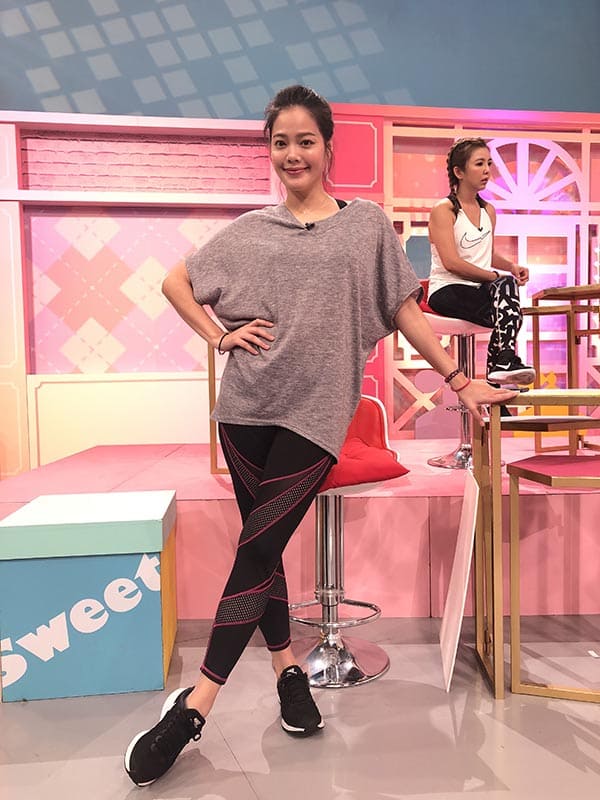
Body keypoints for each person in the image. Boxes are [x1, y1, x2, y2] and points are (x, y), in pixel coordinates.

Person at [123, 86, 518, 787]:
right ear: (271, 151)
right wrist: (220, 336)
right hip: (245, 409)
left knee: (258, 545)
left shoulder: (365, 225)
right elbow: (176, 282)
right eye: (280, 142)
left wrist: (461, 382)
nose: (293, 153)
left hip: (316, 414)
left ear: (328, 148)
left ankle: (195, 707)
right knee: (264, 548)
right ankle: (287, 675)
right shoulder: (249, 230)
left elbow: (403, 310)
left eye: (306, 140)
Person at [427, 137, 535, 385]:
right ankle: (499, 372)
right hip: (447, 289)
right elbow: (452, 262)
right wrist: (496, 277)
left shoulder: (489, 211)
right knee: (508, 308)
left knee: (508, 308)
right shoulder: (444, 209)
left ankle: (501, 368)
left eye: (489, 163)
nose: (487, 170)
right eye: (479, 164)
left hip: (479, 289)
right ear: (459, 172)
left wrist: (511, 267)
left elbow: (486, 253)